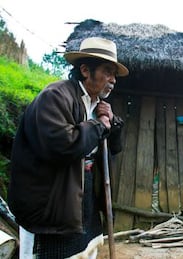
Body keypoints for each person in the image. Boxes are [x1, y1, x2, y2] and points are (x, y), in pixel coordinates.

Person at [8, 37, 129, 258]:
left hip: (84, 207)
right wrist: (98, 126)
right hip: (52, 210)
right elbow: (61, 146)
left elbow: (114, 148)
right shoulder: (55, 97)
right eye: (107, 71)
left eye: (114, 75)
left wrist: (112, 125)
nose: (113, 80)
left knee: (85, 252)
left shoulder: (98, 107)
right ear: (85, 70)